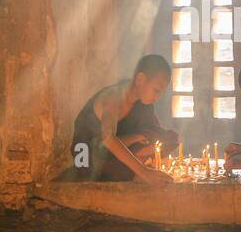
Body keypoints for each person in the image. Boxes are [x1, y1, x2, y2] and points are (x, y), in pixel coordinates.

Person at [71, 55, 177, 185]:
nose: (157, 97)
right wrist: (143, 171)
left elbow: (155, 132)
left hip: (117, 151)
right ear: (140, 79)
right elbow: (107, 139)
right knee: (121, 169)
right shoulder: (113, 97)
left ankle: (135, 164)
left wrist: (144, 137)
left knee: (170, 137)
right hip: (89, 157)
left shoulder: (143, 104)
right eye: (156, 90)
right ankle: (135, 167)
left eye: (160, 93)